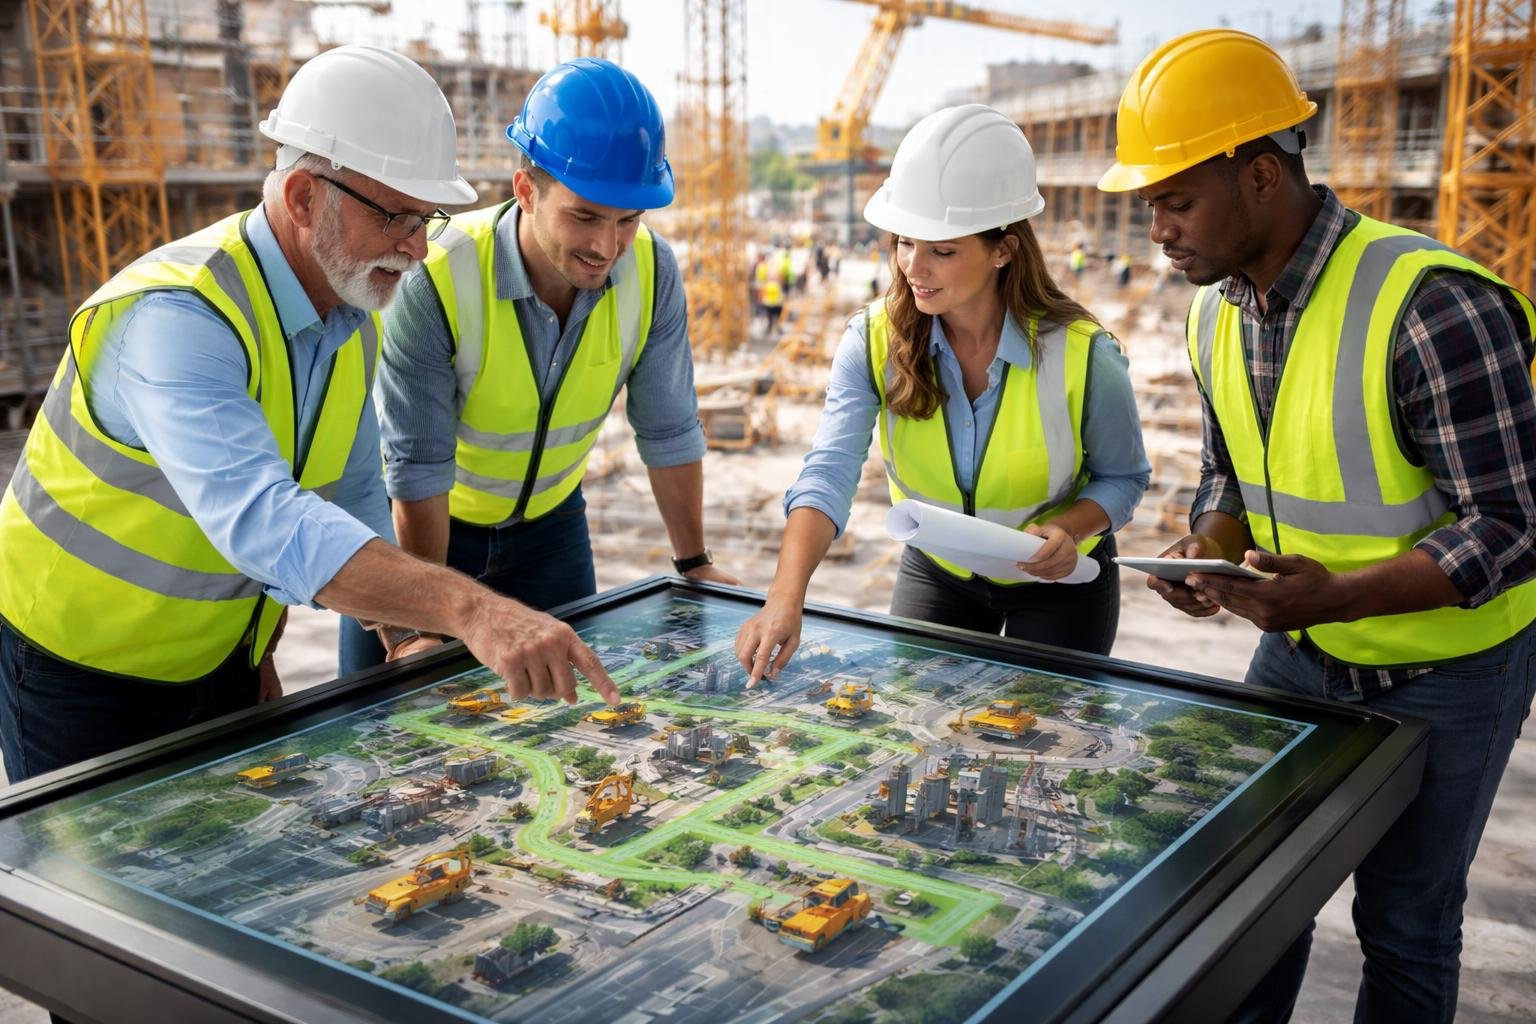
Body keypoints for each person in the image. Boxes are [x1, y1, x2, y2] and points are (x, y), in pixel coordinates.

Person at [0, 46, 620, 786]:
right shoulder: (179, 316)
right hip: (78, 669)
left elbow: (355, 493)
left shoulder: (349, 313)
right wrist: (474, 612)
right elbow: (264, 519)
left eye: (428, 218)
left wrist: (401, 635)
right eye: (396, 216)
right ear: (302, 198)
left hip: (223, 655)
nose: (418, 248)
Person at [1097, 28, 1536, 1024]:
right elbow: (1230, 473)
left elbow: (1515, 521)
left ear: (1258, 175)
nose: (1156, 228)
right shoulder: (1215, 312)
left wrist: (1339, 595)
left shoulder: (1431, 304)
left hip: (1454, 670)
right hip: (1300, 646)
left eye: (1174, 199)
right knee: (1252, 901)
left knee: (1408, 921)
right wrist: (1207, 547)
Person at [341, 57, 737, 673]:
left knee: (565, 730)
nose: (607, 247)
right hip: (425, 534)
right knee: (399, 734)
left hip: (553, 529)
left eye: (627, 221)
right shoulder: (438, 276)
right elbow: (416, 468)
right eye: (585, 216)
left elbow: (669, 429)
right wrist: (421, 627)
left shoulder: (654, 272)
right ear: (526, 191)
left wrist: (693, 563)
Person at [736, 104, 1149, 685]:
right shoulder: (872, 339)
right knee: (921, 733)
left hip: (1059, 583)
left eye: (942, 250)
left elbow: (1125, 477)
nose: (913, 267)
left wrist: (1073, 529)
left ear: (1003, 249)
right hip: (939, 571)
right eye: (904, 242)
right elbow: (828, 471)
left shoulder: (1083, 353)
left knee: (1044, 746)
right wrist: (786, 593)